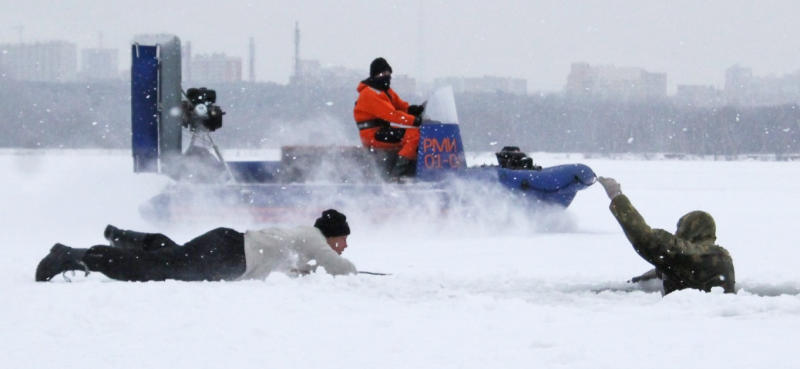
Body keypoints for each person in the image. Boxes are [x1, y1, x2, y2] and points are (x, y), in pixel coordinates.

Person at [35, 209, 356, 282]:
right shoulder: (314, 238)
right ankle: (72, 257)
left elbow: (299, 268)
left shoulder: (299, 240)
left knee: (170, 256)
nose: (343, 246)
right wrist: (356, 275)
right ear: (332, 233)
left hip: (226, 245)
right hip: (229, 254)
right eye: (343, 240)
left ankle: (126, 237)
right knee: (153, 269)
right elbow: (339, 268)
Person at [597, 177, 736, 295]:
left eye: (680, 229)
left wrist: (617, 197)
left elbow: (647, 239)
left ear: (689, 230)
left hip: (687, 322)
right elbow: (675, 267)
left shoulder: (692, 255)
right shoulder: (718, 258)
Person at [353, 57, 425, 178]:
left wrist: (417, 110)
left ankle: (411, 170)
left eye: (388, 73)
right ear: (374, 75)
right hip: (372, 135)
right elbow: (392, 115)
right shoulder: (370, 93)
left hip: (382, 130)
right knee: (414, 135)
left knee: (414, 133)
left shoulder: (385, 91)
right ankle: (397, 175)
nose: (386, 76)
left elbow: (401, 106)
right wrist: (416, 121)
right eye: (382, 73)